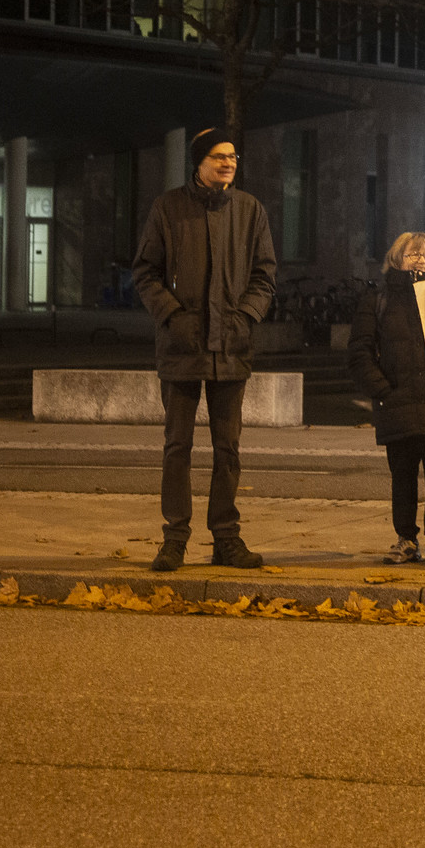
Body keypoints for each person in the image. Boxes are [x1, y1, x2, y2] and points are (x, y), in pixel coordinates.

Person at [133, 127, 277, 572]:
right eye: (219, 156)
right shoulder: (168, 208)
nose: (228, 163)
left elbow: (265, 275)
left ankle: (226, 538)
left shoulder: (250, 210)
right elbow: (145, 273)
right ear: (198, 162)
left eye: (232, 156)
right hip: (181, 346)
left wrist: (245, 317)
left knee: (227, 448)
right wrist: (174, 317)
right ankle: (174, 538)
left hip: (232, 346)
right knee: (177, 446)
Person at [350, 232, 425, 566]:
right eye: (414, 255)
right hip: (397, 403)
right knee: (403, 477)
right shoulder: (378, 299)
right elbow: (360, 351)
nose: (422, 261)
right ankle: (406, 538)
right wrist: (382, 390)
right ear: (396, 259)